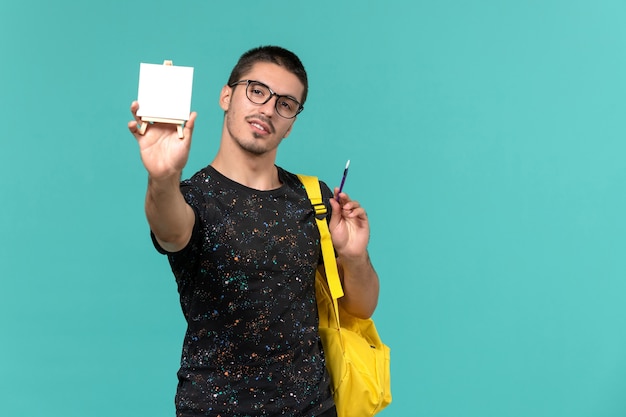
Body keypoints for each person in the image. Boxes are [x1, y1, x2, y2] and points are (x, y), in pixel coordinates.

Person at [128, 45, 379, 417]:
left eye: (286, 104)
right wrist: (162, 177)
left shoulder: (315, 197)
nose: (268, 108)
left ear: (292, 123)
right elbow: (170, 230)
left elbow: (360, 307)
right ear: (226, 95)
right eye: (257, 90)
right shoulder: (193, 197)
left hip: (314, 408)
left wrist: (355, 256)